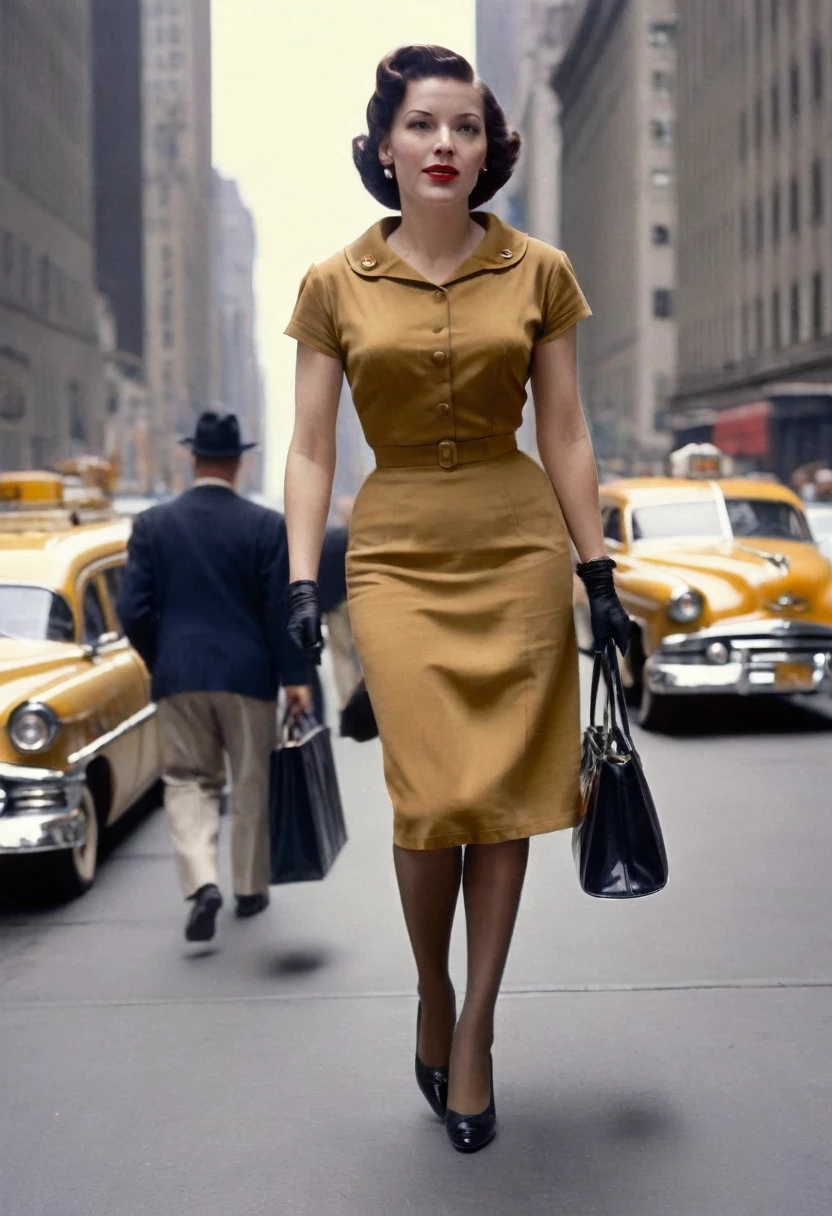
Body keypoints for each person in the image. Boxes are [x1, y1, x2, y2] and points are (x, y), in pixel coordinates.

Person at [282, 45, 630, 1153]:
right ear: (384, 145)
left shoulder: (541, 270)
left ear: (489, 149)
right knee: (431, 801)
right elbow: (305, 448)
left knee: (505, 802)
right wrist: (302, 580)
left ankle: (472, 1024)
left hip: (516, 548)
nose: (445, 145)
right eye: (424, 126)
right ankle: (431, 989)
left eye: (467, 128)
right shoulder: (334, 283)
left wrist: (598, 571)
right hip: (394, 558)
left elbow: (565, 432)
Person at [119, 411, 312, 944]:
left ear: (192, 457)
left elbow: (132, 608)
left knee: (188, 780)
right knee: (251, 779)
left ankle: (202, 881)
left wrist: (163, 657)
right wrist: (295, 677)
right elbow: (280, 609)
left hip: (178, 672)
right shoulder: (264, 525)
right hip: (249, 674)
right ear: (238, 461)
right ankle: (250, 888)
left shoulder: (152, 525)